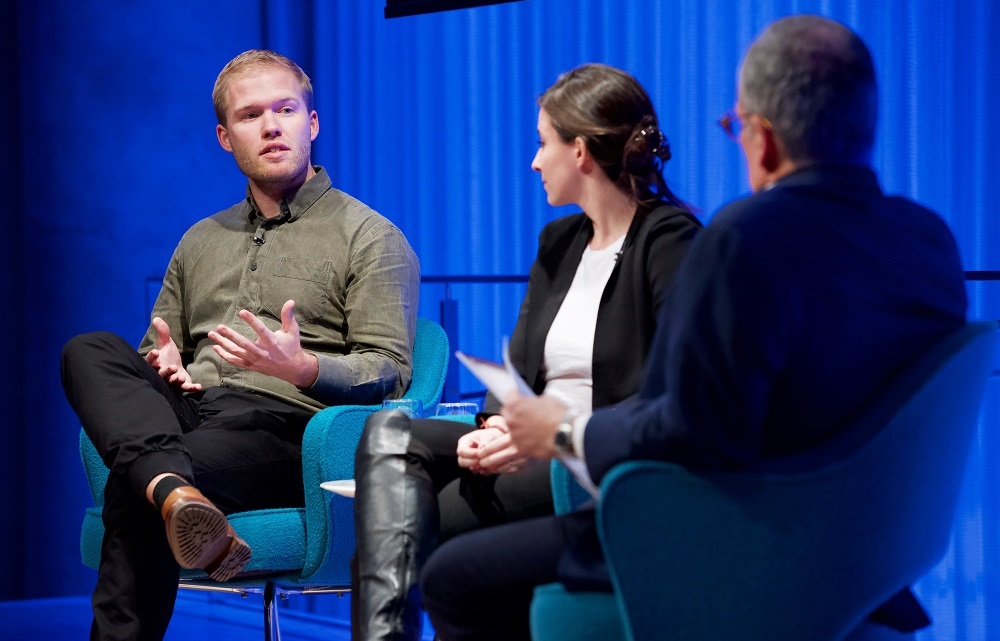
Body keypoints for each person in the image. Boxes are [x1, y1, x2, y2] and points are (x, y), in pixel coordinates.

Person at [420, 15, 968, 641]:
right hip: (871, 557)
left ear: (762, 138)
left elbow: (693, 431)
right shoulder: (929, 241)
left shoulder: (747, 236)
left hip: (742, 543)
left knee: (452, 577)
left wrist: (566, 431)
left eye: (734, 127)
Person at [60, 49, 420, 641]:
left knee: (137, 478)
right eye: (252, 115)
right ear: (227, 138)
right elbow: (159, 342)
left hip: (284, 428)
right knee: (88, 348)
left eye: (286, 109)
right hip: (191, 408)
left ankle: (166, 490)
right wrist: (160, 363)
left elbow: (390, 370)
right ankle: (177, 492)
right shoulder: (200, 239)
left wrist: (304, 368)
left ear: (313, 122)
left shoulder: (371, 237)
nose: (272, 126)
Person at [351, 62, 701, 640]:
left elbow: (667, 395)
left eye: (543, 144)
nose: (535, 161)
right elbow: (519, 362)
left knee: (403, 521)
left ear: (581, 151)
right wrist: (496, 426)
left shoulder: (669, 243)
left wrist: (547, 431)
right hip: (525, 441)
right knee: (389, 432)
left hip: (586, 456)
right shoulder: (558, 242)